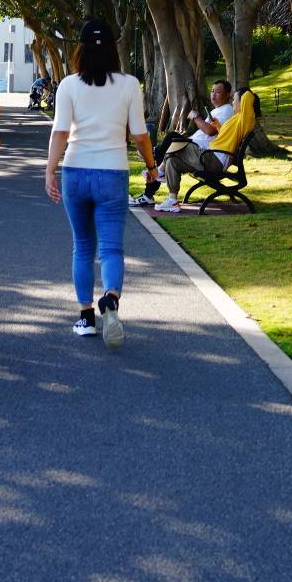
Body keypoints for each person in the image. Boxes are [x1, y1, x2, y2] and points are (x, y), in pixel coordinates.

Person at [44, 19, 156, 348]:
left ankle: (85, 317)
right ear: (113, 50)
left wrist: (50, 170)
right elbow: (140, 135)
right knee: (111, 248)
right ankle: (111, 297)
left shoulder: (68, 85)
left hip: (75, 172)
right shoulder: (129, 85)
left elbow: (60, 132)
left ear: (79, 51)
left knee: (82, 246)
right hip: (112, 173)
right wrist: (151, 166)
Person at [141, 79, 236, 211]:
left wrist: (196, 117)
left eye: (218, 92)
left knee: (172, 139)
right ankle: (172, 200)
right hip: (200, 152)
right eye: (212, 91)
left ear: (227, 94)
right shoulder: (217, 111)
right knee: (172, 159)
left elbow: (209, 131)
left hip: (207, 156)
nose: (213, 95)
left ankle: (156, 172)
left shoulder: (226, 110)